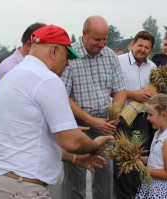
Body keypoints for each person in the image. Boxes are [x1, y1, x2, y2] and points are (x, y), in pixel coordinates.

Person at [0, 25, 114, 199]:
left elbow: (30, 142)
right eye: (66, 56)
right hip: (23, 189)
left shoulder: (12, 75)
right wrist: (94, 145)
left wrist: (75, 159)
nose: (67, 63)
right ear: (53, 51)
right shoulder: (46, 79)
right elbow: (72, 142)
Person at [62, 15, 127, 199]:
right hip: (77, 126)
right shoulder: (69, 56)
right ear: (84, 33)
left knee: (105, 176)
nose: (101, 44)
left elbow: (120, 90)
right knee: (75, 178)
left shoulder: (109, 55)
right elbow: (62, 97)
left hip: (105, 125)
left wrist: (115, 115)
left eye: (105, 39)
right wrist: (91, 121)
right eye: (97, 39)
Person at [114, 31, 157, 199]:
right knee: (121, 160)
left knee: (137, 157)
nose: (142, 49)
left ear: (151, 50)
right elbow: (110, 90)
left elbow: (155, 93)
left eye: (147, 47)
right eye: (140, 45)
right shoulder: (118, 62)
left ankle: (136, 193)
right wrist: (133, 94)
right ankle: (123, 195)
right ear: (133, 44)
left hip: (141, 120)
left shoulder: (153, 67)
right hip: (121, 118)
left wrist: (153, 95)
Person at [135, 93, 167, 199]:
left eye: (150, 114)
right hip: (154, 187)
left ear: (164, 115)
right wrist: (145, 160)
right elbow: (160, 161)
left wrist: (142, 169)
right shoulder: (159, 132)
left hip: (165, 192)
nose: (148, 118)